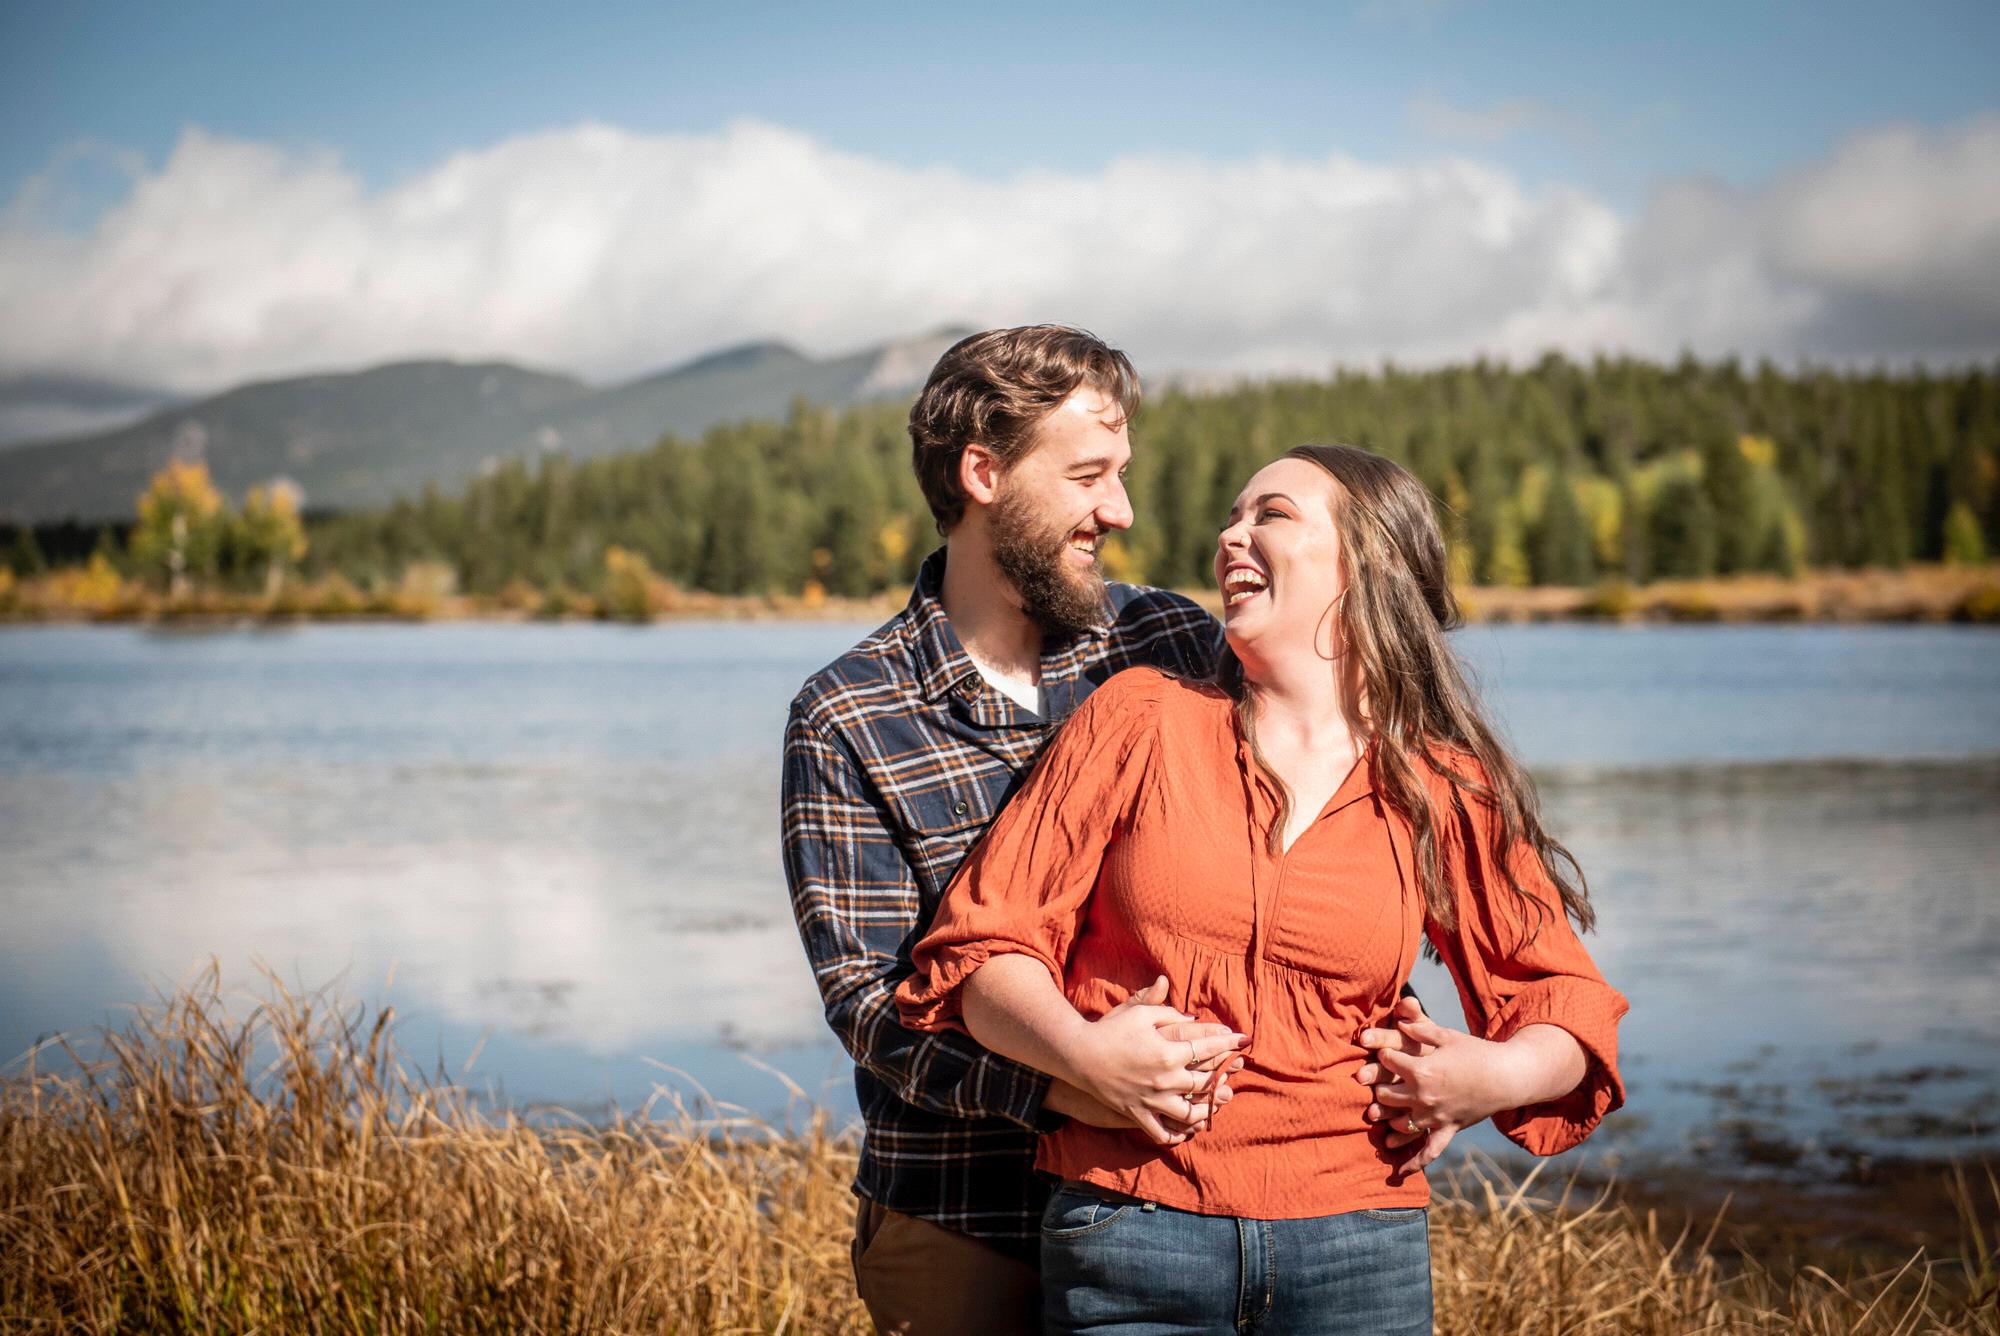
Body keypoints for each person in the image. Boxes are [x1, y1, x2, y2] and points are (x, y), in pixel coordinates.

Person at [896, 443, 1630, 1334]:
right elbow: (985, 952)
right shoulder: (1139, 718)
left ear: (1367, 563)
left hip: (1361, 1245)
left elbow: (1565, 1006)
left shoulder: (1439, 782)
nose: (1230, 536)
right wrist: (1083, 1056)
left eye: (1271, 515)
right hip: (1132, 1227)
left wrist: (1490, 1075)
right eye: (1231, 517)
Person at [782, 326, 1242, 1335]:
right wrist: (1068, 1083)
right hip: (966, 1220)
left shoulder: (1170, 642)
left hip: (1177, 1201)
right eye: (1087, 476)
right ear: (983, 473)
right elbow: (869, 1003)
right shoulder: (847, 713)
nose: (1118, 510)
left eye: (1121, 474)